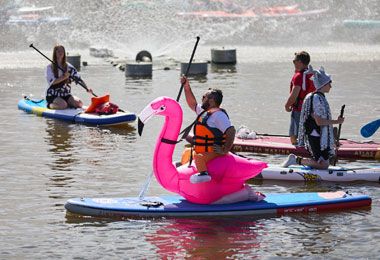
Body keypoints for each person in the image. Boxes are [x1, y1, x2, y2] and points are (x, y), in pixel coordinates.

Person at [281, 65, 344, 169]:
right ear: (323, 84)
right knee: (323, 165)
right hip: (314, 134)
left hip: (320, 134)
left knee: (325, 163)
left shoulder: (320, 97)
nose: (331, 86)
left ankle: (311, 166)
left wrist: (331, 139)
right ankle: (295, 160)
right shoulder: (316, 99)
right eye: (329, 83)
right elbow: (319, 121)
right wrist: (337, 121)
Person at [181, 76, 236, 184]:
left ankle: (204, 175)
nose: (201, 99)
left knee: (198, 157)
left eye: (203, 97)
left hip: (213, 151)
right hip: (203, 149)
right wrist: (186, 87)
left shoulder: (219, 116)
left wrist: (225, 150)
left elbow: (231, 131)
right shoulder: (205, 111)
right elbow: (192, 104)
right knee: (188, 152)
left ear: (211, 100)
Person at [45, 45, 91, 109]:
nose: (61, 53)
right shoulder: (49, 67)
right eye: (58, 51)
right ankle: (49, 105)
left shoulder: (69, 66)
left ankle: (66, 104)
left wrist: (87, 88)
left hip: (66, 94)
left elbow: (78, 78)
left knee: (79, 104)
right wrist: (64, 77)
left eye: (62, 51)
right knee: (63, 105)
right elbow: (53, 82)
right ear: (55, 53)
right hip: (53, 95)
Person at [284, 51, 315, 145]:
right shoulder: (312, 74)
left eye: (294, 61)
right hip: (311, 108)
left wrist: (287, 105)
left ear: (300, 62)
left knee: (294, 133)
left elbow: (294, 94)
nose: (293, 63)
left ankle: (296, 149)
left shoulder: (298, 76)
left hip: (299, 109)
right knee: (307, 130)